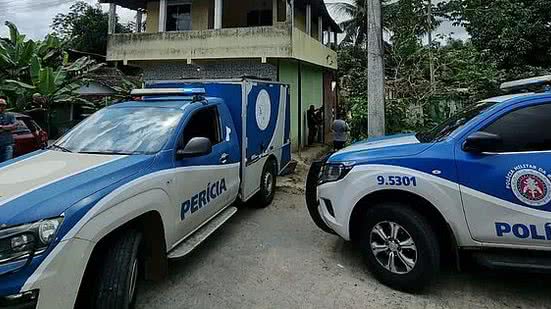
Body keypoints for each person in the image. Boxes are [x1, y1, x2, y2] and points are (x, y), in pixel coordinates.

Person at [0, 97, 17, 163]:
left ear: (5, 106)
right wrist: (8, 127)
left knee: (7, 164)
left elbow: (14, 126)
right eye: (0, 105)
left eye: (3, 105)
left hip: (7, 144)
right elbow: (11, 126)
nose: (1, 106)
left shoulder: (10, 115)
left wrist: (2, 127)